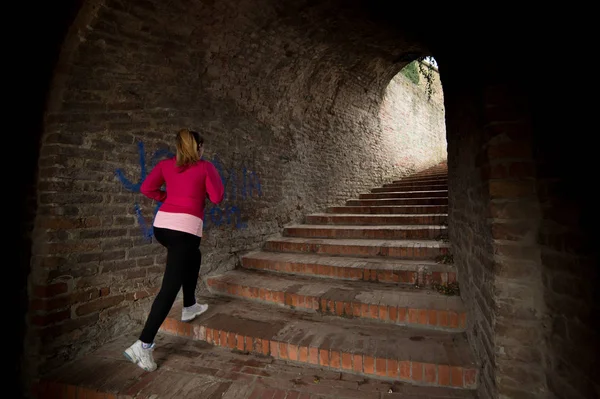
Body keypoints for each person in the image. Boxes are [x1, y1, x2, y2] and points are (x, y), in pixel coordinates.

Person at [123, 129, 224, 372]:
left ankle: (190, 305)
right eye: (203, 147)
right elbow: (218, 197)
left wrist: (168, 196)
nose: (204, 150)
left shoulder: (166, 165)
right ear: (198, 147)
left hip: (163, 227)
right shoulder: (205, 167)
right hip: (183, 231)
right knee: (169, 287)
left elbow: (147, 189)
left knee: (194, 255)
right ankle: (143, 344)